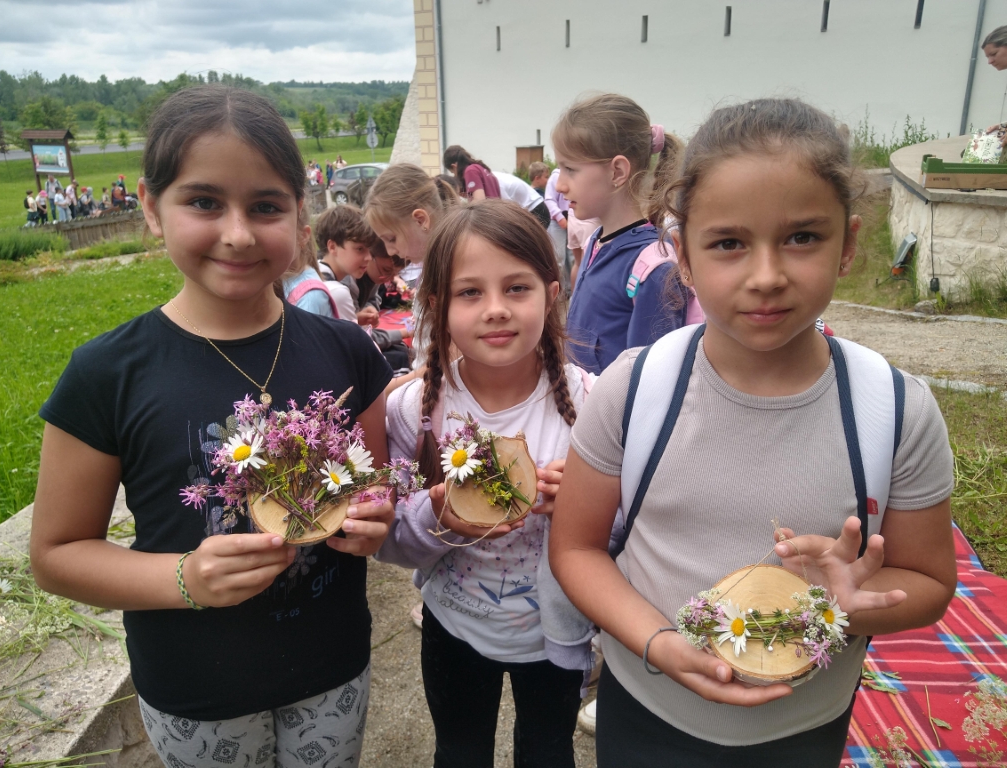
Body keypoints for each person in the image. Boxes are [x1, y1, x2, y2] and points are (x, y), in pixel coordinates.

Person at [549, 97, 957, 768]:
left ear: (849, 244)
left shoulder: (894, 410)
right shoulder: (633, 389)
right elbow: (576, 549)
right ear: (683, 256)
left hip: (804, 729)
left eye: (803, 237)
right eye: (729, 243)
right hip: (647, 711)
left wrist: (850, 606)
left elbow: (929, 581)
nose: (766, 276)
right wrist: (657, 642)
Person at [29, 85, 395, 768]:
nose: (238, 233)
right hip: (194, 689)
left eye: (266, 206)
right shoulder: (107, 373)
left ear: (301, 217)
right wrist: (184, 578)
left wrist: (375, 518)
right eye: (203, 202)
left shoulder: (347, 351)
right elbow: (56, 554)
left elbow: (372, 491)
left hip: (333, 669)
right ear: (150, 208)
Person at [378, 199, 593, 768]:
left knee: (547, 753)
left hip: (555, 638)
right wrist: (437, 514)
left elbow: (621, 537)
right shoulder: (414, 411)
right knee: (459, 752)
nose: (496, 309)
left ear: (551, 295)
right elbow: (389, 540)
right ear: (437, 307)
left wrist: (582, 510)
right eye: (470, 292)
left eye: (517, 288)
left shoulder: (595, 405)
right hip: (453, 627)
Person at [553, 93, 687, 374]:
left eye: (570, 169)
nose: (560, 185)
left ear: (617, 171)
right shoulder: (596, 240)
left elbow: (648, 380)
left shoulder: (654, 269)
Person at [363, 163, 460, 377]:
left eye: (391, 238)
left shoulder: (452, 272)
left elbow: (453, 357)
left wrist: (393, 389)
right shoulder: (435, 267)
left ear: (420, 220)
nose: (391, 250)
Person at [353, 239, 413, 374]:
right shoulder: (345, 287)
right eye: (386, 270)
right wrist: (405, 332)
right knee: (400, 358)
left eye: (394, 274)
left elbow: (373, 299)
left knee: (402, 350)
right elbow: (361, 338)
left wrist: (371, 309)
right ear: (369, 256)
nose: (389, 279)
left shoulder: (373, 277)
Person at [315, 204, 375, 323]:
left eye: (370, 249)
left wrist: (356, 319)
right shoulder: (336, 292)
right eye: (360, 249)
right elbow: (351, 336)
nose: (369, 257)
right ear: (332, 247)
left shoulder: (313, 273)